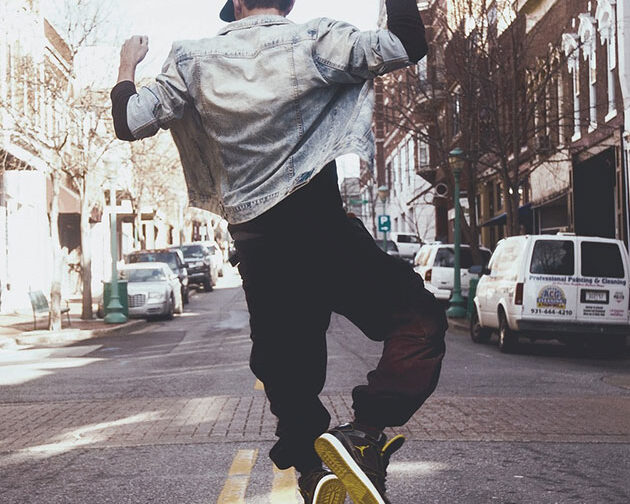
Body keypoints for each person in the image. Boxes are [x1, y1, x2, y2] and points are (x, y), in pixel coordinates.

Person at [110, 1, 447, 503]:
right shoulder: (317, 39)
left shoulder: (191, 59)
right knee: (418, 323)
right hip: (322, 228)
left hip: (260, 248)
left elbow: (129, 121)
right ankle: (364, 434)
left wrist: (126, 66)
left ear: (237, 4)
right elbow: (406, 43)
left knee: (290, 384)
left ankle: (316, 471)